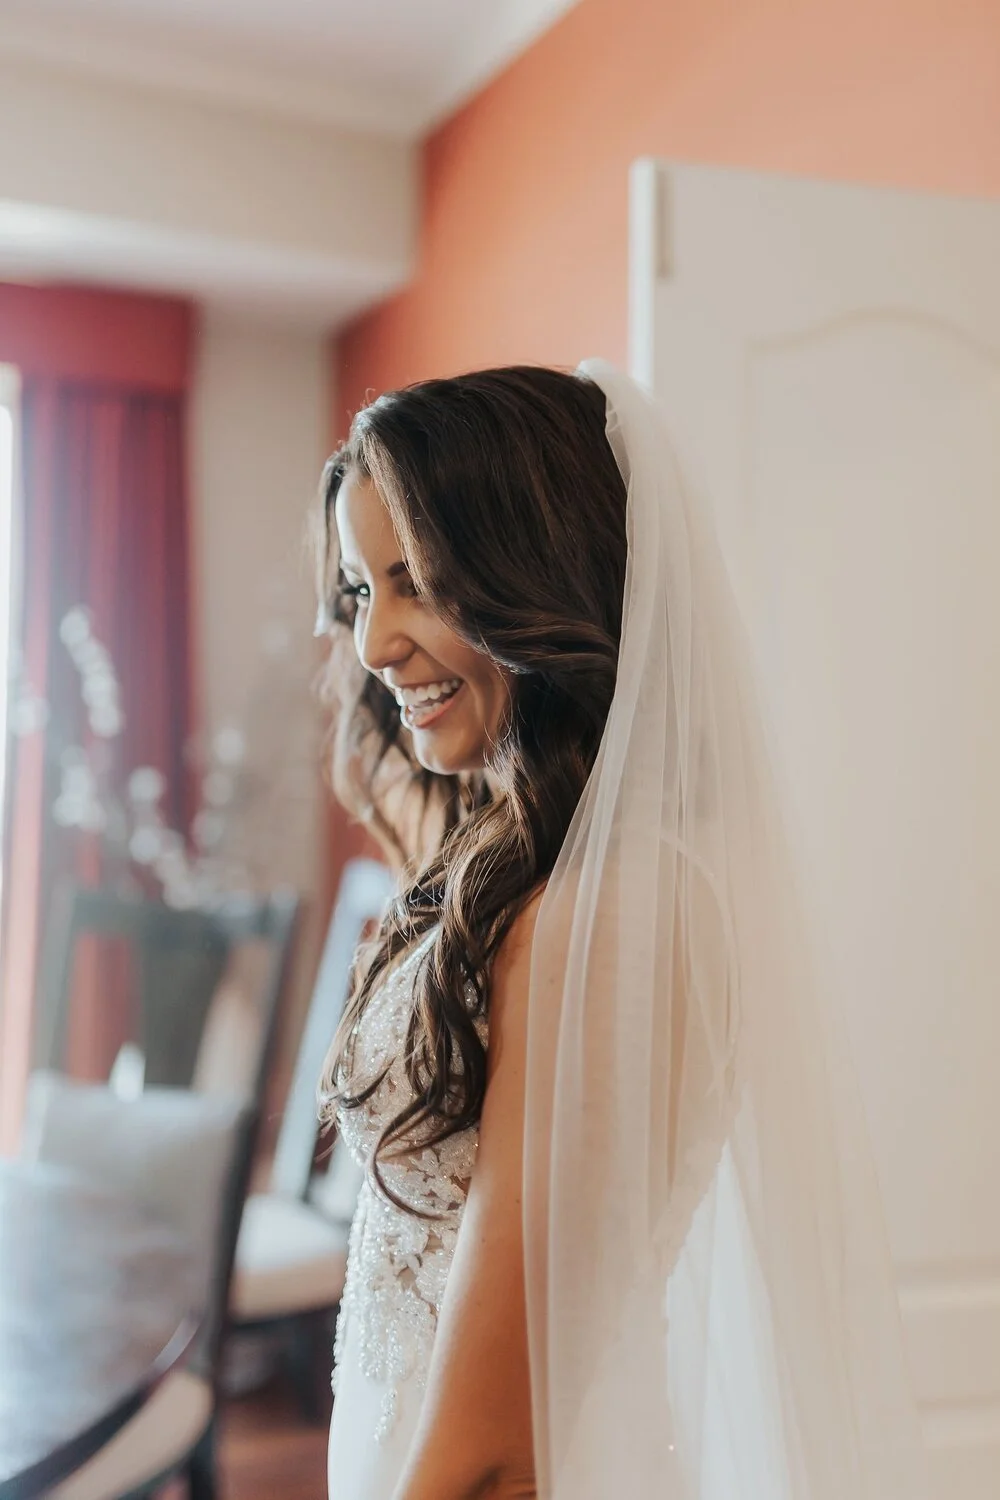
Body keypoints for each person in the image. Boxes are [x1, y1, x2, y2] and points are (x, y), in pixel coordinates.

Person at [315, 362, 929, 1500]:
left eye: (416, 582)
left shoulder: (608, 917)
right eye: (361, 592)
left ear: (524, 574)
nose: (374, 642)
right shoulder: (530, 874)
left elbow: (498, 1450)